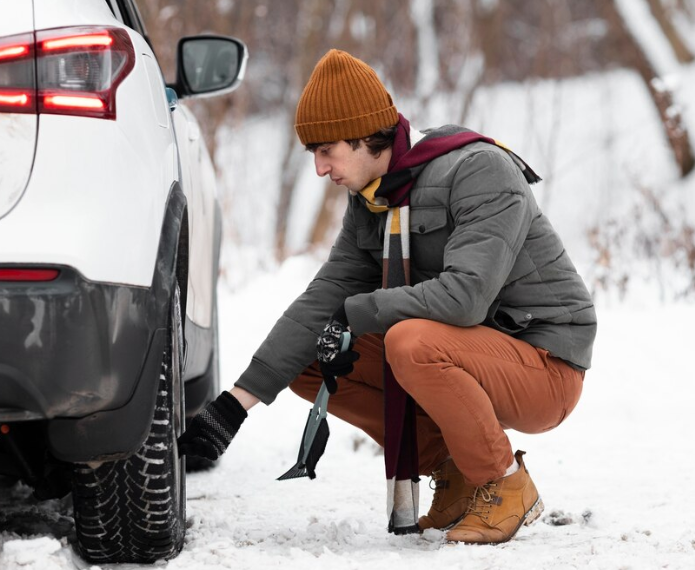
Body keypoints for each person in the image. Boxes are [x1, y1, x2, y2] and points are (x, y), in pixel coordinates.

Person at [178, 49, 597, 545]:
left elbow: (465, 299)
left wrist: (360, 311)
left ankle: (504, 483)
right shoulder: (374, 199)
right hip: (471, 351)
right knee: (317, 358)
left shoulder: (479, 170)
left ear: (363, 136)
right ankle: (456, 472)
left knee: (410, 341)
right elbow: (325, 298)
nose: (319, 168)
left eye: (326, 150)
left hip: (544, 364)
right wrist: (235, 405)